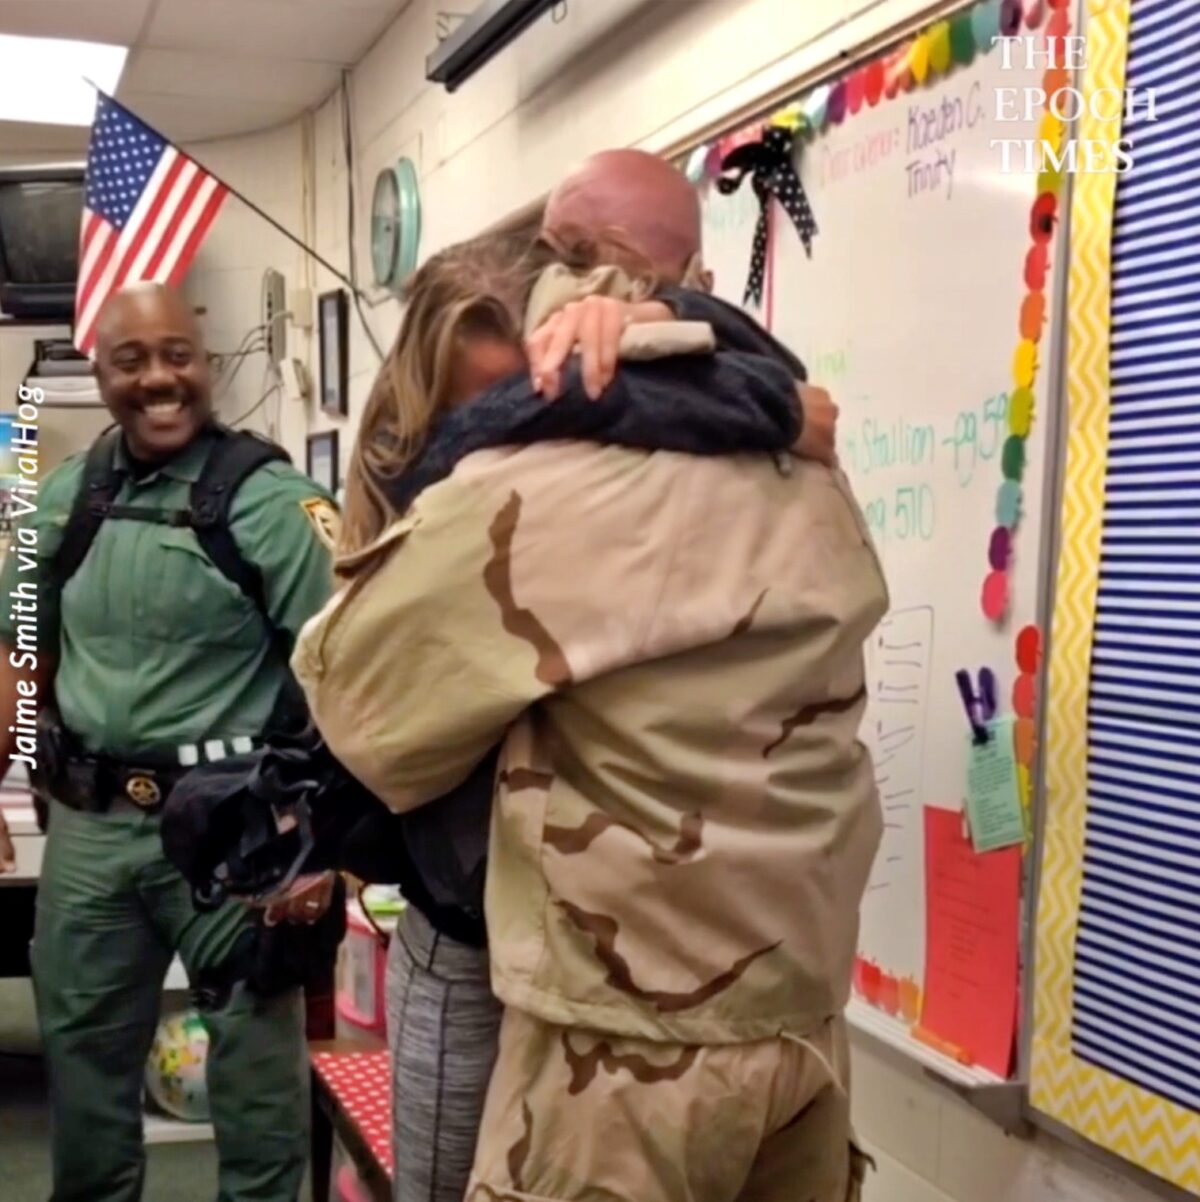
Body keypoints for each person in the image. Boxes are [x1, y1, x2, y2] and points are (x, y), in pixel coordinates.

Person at [295, 149, 886, 1202]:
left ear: (566, 269)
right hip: (802, 1023)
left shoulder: (536, 480)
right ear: (697, 276)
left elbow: (360, 708)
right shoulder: (806, 457)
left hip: (622, 1058)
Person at [0, 283, 339, 1202]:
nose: (159, 378)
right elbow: (18, 652)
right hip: (90, 831)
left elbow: (348, 678)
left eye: (177, 355)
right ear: (100, 372)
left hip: (238, 834)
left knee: (259, 1089)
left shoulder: (273, 504)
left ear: (206, 360)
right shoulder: (65, 499)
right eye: (131, 359)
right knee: (84, 1080)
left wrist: (326, 850)